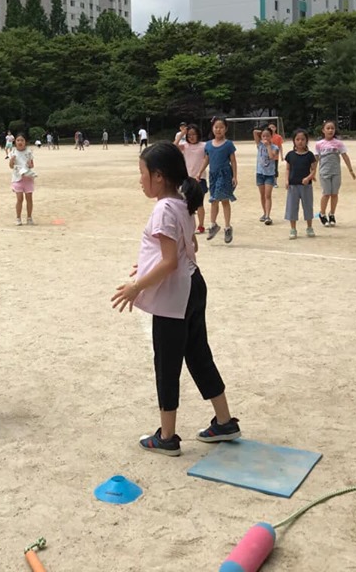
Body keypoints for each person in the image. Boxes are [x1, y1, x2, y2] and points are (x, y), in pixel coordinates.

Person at [111, 142, 240, 456]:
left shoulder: (163, 209)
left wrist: (136, 286)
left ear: (158, 176)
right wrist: (147, 265)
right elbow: (188, 245)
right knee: (198, 355)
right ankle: (224, 422)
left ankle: (167, 437)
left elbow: (169, 262)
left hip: (175, 296)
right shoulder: (182, 202)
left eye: (142, 173)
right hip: (193, 285)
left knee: (167, 364)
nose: (140, 180)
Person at [200, 116, 237, 244]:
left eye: (221, 127)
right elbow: (207, 159)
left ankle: (227, 227)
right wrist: (200, 172)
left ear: (225, 129)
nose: (218, 129)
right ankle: (213, 224)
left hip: (225, 174)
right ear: (212, 128)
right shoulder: (208, 144)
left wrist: (234, 176)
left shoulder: (228, 144)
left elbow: (233, 161)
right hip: (213, 175)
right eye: (216, 127)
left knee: (223, 200)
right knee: (214, 200)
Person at [314, 120, 356, 227]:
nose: (330, 130)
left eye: (332, 128)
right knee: (326, 193)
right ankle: (322, 214)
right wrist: (312, 172)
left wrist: (350, 170)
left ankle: (332, 214)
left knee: (334, 194)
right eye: (328, 128)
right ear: (323, 130)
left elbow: (345, 156)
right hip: (324, 172)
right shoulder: (319, 144)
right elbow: (316, 159)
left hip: (336, 172)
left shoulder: (338, 143)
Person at [284, 129, 317, 239]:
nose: (300, 141)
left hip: (306, 186)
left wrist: (308, 178)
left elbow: (313, 170)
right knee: (292, 207)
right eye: (297, 139)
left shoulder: (310, 155)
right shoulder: (290, 155)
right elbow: (288, 169)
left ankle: (309, 227)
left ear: (306, 140)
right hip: (293, 185)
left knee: (308, 206)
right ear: (294, 141)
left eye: (303, 139)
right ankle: (293, 229)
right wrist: (286, 180)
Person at [179, 123, 208, 234]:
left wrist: (200, 172)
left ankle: (201, 226)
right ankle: (188, 225)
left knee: (199, 204)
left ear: (198, 135)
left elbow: (207, 158)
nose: (191, 137)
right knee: (186, 204)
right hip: (187, 179)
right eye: (189, 135)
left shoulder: (204, 145)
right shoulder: (185, 146)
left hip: (200, 178)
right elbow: (173, 146)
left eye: (194, 134)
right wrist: (181, 134)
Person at [9, 132, 36, 226]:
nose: (20, 142)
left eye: (22, 140)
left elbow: (32, 165)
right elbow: (11, 166)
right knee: (19, 199)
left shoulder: (28, 152)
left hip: (27, 178)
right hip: (17, 178)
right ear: (15, 142)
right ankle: (18, 218)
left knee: (29, 199)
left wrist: (30, 164)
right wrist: (12, 160)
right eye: (18, 140)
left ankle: (29, 217)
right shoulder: (13, 152)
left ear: (25, 142)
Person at [253, 126, 279, 225]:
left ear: (271, 136)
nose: (265, 138)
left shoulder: (275, 147)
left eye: (268, 136)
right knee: (262, 195)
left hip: (269, 174)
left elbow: (272, 156)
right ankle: (264, 213)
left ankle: (268, 216)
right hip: (260, 173)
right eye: (263, 136)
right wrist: (262, 132)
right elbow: (254, 132)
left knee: (268, 195)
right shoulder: (259, 145)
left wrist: (268, 146)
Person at [267, 122, 285, 187]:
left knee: (275, 169)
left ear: (275, 128)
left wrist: (281, 155)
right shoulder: (266, 136)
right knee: (268, 168)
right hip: (267, 156)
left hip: (275, 157)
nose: (271, 128)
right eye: (270, 127)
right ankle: (268, 181)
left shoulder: (278, 137)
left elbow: (280, 147)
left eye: (273, 127)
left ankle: (275, 182)